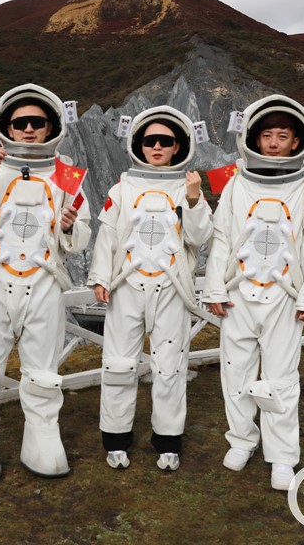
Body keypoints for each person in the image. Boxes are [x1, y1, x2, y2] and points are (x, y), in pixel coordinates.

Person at [0, 84, 92, 486]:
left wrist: (69, 229)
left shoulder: (67, 174)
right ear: (7, 127)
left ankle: (42, 435)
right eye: (20, 123)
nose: (28, 130)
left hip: (46, 280)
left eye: (37, 122)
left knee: (43, 368)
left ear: (51, 127)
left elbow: (82, 234)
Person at [204, 94, 304, 490]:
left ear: (297, 141)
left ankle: (282, 455)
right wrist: (214, 288)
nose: (275, 142)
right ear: (254, 139)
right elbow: (221, 240)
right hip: (238, 293)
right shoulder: (234, 184)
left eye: (283, 135)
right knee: (236, 372)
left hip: (285, 297)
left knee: (280, 378)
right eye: (267, 135)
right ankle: (242, 439)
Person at [86, 106, 213, 472]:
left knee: (170, 367)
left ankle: (168, 440)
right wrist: (100, 277)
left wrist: (192, 199)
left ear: (179, 146)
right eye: (149, 140)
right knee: (118, 364)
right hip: (127, 285)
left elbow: (200, 237)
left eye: (165, 141)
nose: (156, 147)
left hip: (172, 287)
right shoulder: (122, 188)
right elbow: (107, 236)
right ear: (139, 145)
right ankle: (115, 437)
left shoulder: (188, 187)